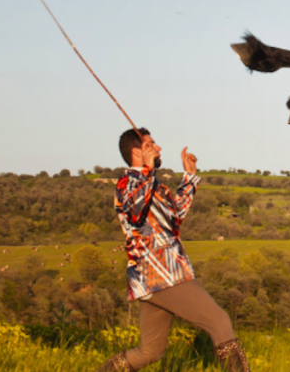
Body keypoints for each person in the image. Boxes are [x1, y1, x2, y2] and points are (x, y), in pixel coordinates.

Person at [98, 128, 249, 372]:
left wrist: (189, 178)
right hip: (161, 274)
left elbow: (173, 221)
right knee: (220, 322)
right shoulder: (128, 183)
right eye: (151, 144)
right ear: (138, 151)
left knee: (151, 351)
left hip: (153, 278)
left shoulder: (154, 185)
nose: (158, 148)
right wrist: (146, 171)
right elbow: (135, 214)